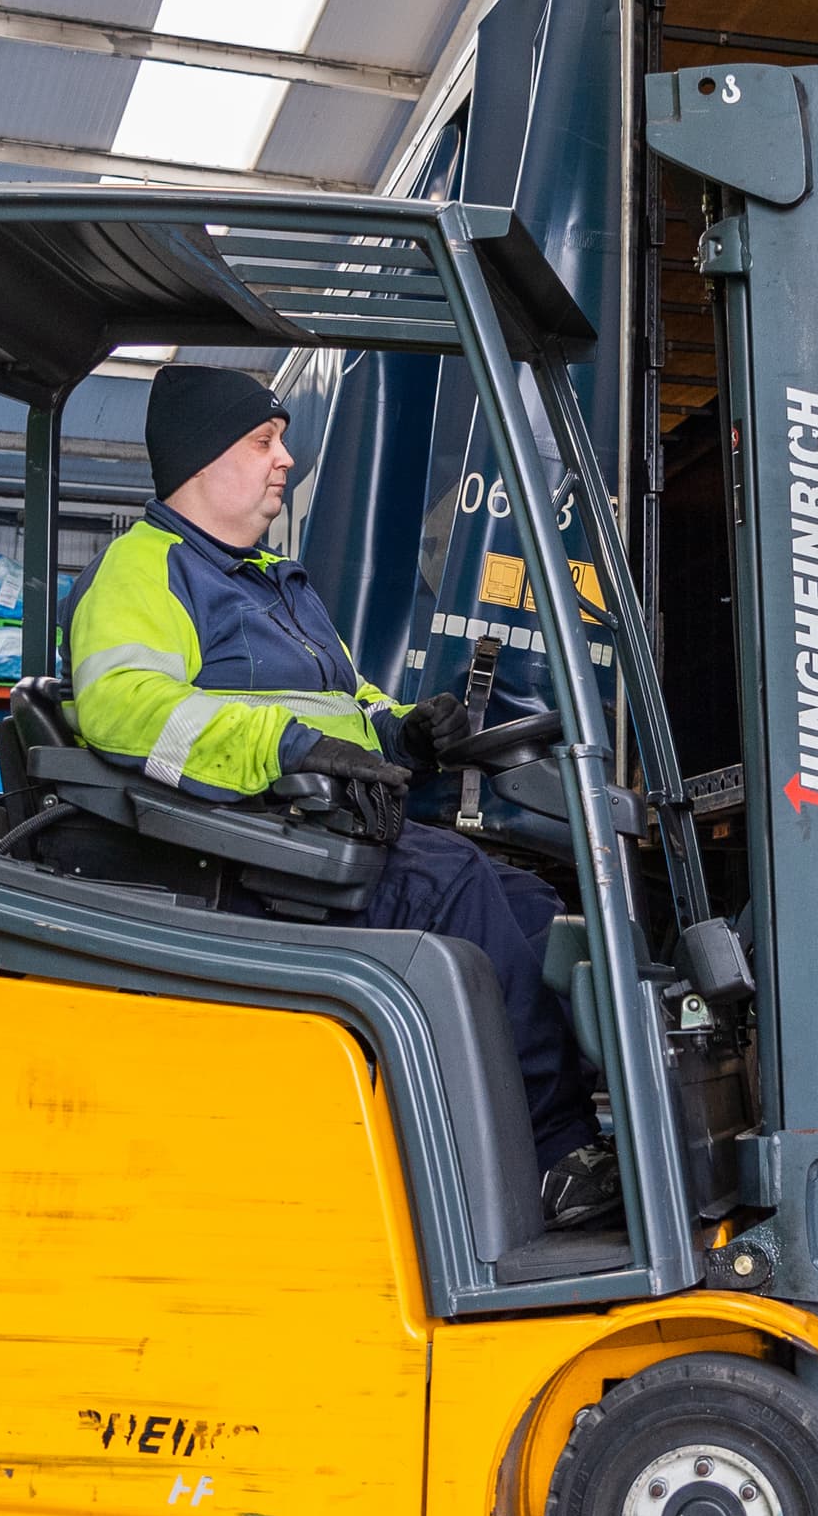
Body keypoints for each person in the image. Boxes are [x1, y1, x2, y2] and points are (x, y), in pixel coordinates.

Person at [69, 362, 617, 1229]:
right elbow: (126, 709)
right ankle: (551, 1158)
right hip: (243, 851)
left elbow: (343, 697)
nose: (285, 458)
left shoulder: (268, 577)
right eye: (263, 441)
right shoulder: (146, 572)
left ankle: (577, 1125)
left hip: (320, 830)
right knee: (457, 886)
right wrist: (283, 746)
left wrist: (405, 730)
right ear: (203, 460)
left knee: (529, 899)